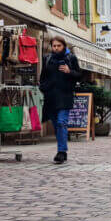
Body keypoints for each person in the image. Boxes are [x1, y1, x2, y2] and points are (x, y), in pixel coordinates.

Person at [40, 35, 82, 164]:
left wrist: (70, 71)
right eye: (54, 46)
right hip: (51, 97)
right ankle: (61, 149)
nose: (56, 48)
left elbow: (79, 76)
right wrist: (44, 88)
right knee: (56, 125)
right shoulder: (47, 59)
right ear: (51, 47)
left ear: (64, 46)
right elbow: (42, 77)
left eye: (59, 46)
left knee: (61, 122)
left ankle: (61, 152)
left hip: (65, 96)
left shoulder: (71, 58)